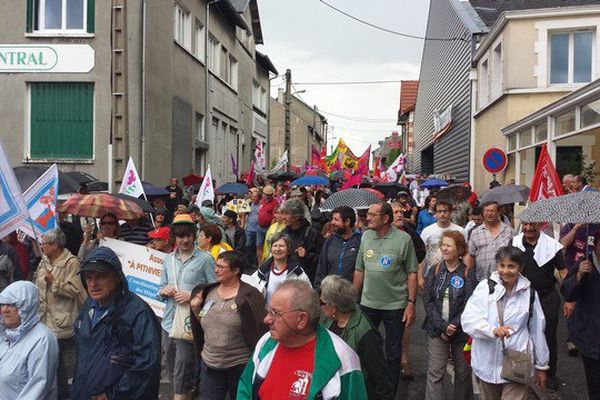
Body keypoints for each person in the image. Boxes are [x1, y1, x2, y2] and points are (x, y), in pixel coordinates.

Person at [237, 280, 367, 399]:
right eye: (268, 311)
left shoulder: (342, 358)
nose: (267, 319)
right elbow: (245, 390)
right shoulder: (266, 342)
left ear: (301, 319)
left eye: (275, 313)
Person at [72, 247, 161, 399]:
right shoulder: (89, 306)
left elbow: (146, 367)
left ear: (117, 276)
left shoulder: (138, 312)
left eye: (100, 276)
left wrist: (111, 394)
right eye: (88, 277)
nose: (93, 284)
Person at [462, 246, 549, 399]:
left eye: (511, 266)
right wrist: (491, 330)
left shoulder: (529, 293)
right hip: (486, 362)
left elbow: (537, 330)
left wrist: (542, 365)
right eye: (502, 265)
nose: (506, 271)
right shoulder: (486, 288)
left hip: (517, 361)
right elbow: (469, 319)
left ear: (520, 267)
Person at [353, 201, 418, 390]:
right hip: (368, 305)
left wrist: (411, 303)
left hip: (395, 306)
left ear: (386, 218)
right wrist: (350, 299)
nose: (368, 217)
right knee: (367, 349)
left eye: (373, 214)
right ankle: (370, 388)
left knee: (393, 352)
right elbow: (359, 269)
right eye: (368, 214)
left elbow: (412, 273)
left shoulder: (403, 239)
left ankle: (390, 391)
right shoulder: (365, 236)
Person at [189, 251, 267, 400]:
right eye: (216, 266)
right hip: (210, 365)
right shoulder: (209, 292)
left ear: (236, 271)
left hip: (239, 366)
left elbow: (259, 330)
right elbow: (205, 323)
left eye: (221, 267)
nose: (216, 270)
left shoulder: (250, 295)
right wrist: (195, 308)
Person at [158, 214, 217, 400]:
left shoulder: (205, 259)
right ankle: (188, 393)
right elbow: (159, 289)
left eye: (188, 236)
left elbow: (216, 291)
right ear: (174, 237)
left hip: (189, 324)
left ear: (194, 235)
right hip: (168, 323)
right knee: (171, 367)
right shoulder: (168, 260)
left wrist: (192, 296)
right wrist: (164, 291)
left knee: (183, 368)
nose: (184, 240)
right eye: (180, 236)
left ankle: (183, 395)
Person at [320, 275, 394, 400]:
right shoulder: (328, 320)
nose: (319, 304)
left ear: (334, 307)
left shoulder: (365, 333)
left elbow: (381, 379)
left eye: (322, 302)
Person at [512, 222, 567, 390]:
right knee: (519, 335)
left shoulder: (551, 246)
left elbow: (563, 272)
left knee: (548, 336)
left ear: (540, 226)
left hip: (546, 297)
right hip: (521, 297)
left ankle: (549, 374)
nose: (528, 228)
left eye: (532, 225)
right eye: (526, 224)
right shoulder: (514, 243)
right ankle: (518, 372)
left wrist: (570, 297)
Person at [423, 231, 476, 400]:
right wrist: (443, 326)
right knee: (435, 372)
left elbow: (470, 303)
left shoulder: (468, 273)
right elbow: (428, 300)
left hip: (461, 332)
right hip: (436, 329)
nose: (444, 249)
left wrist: (454, 324)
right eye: (443, 245)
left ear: (459, 249)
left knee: (463, 373)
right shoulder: (435, 269)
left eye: (448, 245)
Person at [34, 228, 86, 399]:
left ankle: (63, 394)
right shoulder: (44, 261)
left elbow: (76, 290)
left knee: (58, 364)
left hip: (61, 320)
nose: (42, 247)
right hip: (43, 319)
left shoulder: (71, 262)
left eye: (45, 244)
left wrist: (55, 283)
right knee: (50, 363)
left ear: (55, 245)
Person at [0, 281, 59, 399]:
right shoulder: (5, 334)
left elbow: (37, 389)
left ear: (26, 307)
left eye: (11, 305)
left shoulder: (42, 339)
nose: (4, 310)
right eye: (2, 304)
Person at [561, 236, 600, 400]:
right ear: (596, 244)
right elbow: (568, 293)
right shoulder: (584, 264)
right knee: (595, 385)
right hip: (591, 336)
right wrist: (578, 276)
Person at [419, 201, 467, 289]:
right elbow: (421, 256)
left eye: (445, 211)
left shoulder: (460, 231)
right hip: (432, 275)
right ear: (435, 213)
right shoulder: (427, 231)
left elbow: (465, 254)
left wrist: (466, 274)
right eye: (439, 211)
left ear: (450, 212)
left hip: (455, 275)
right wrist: (420, 276)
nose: (442, 214)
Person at [465, 201, 515, 281]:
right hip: (482, 279)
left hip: (504, 279)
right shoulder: (475, 233)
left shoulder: (509, 231)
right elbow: (471, 255)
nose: (489, 213)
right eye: (486, 211)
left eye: (492, 211)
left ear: (499, 212)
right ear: (483, 213)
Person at [254, 232, 310, 303]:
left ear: (288, 250)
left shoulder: (297, 272)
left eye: (281, 246)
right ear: (271, 249)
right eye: (275, 246)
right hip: (267, 312)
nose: (278, 249)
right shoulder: (262, 271)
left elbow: (308, 295)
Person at [314, 206, 361, 288]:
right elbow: (321, 268)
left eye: (336, 219)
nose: (332, 222)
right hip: (330, 292)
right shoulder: (330, 241)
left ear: (347, 221)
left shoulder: (359, 241)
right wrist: (319, 289)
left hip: (351, 294)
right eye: (332, 219)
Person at [279, 198, 324, 283]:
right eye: (282, 213)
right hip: (287, 279)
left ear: (297, 216)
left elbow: (322, 260)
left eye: (286, 214)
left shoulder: (313, 233)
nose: (283, 217)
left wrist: (307, 255)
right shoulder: (283, 233)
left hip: (307, 281)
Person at [258, 186, 279, 259]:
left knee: (268, 247)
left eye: (269, 195)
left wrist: (271, 228)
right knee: (259, 246)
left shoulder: (275, 203)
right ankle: (259, 264)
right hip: (260, 227)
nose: (267, 196)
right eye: (265, 194)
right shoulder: (262, 200)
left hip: (268, 227)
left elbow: (274, 217)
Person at [245, 188, 262, 266]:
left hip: (258, 229)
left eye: (255, 197)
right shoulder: (248, 204)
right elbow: (243, 214)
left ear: (259, 198)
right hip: (249, 228)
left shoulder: (261, 205)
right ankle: (249, 261)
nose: (253, 198)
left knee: (257, 246)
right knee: (248, 245)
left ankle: (255, 261)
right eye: (252, 197)